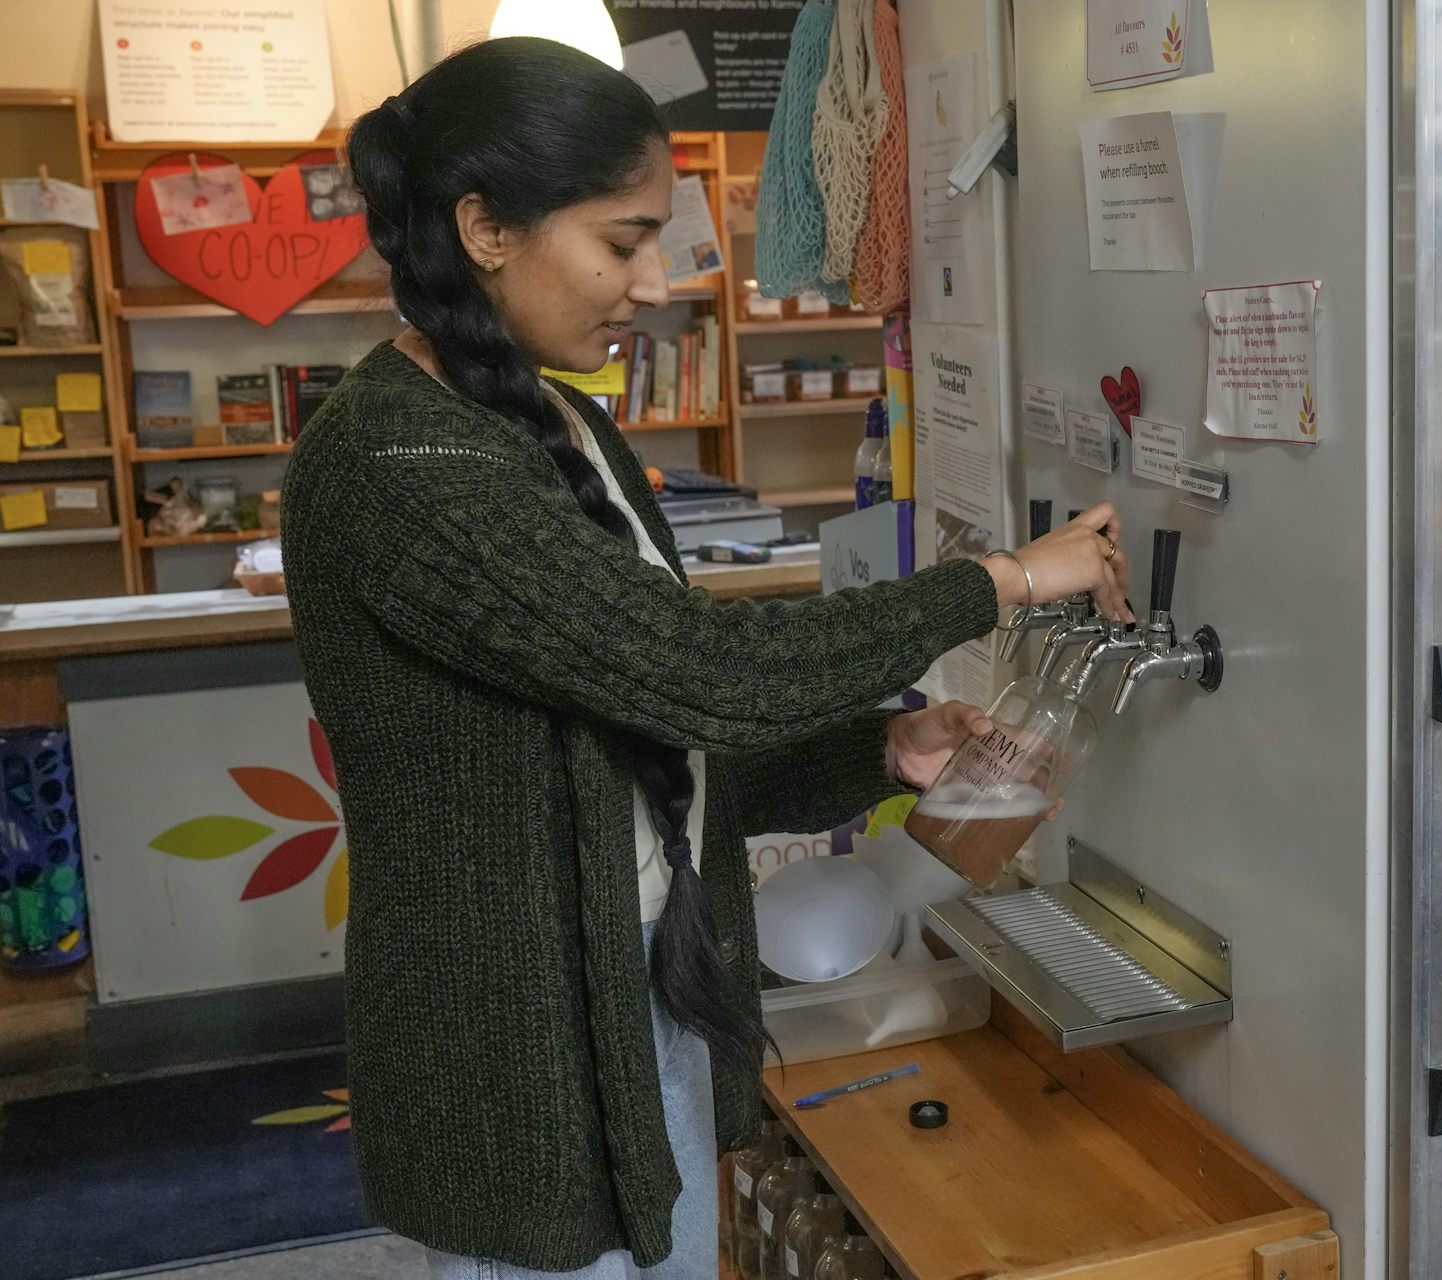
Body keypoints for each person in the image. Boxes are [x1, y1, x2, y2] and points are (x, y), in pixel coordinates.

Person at [280, 37, 1131, 1280]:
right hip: (521, 1040)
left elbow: (641, 723)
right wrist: (997, 580)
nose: (653, 278)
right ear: (485, 228)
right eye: (621, 240)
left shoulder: (548, 411)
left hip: (641, 978)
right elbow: (697, 668)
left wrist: (877, 748)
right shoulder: (401, 462)